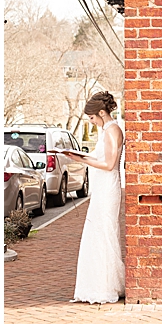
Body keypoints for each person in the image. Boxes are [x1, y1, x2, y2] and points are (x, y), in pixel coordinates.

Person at [63, 91, 125, 304]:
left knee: (102, 234)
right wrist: (78, 156)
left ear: (101, 113)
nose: (91, 121)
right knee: (101, 232)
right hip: (104, 187)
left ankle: (104, 287)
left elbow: (108, 164)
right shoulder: (110, 129)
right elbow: (102, 158)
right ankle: (103, 283)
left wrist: (84, 161)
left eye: (91, 118)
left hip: (107, 188)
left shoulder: (110, 131)